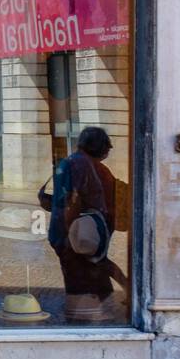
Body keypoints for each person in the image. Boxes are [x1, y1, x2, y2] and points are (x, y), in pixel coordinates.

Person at [47, 126, 130, 320]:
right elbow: (72, 201)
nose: (108, 152)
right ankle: (87, 312)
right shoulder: (83, 165)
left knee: (91, 269)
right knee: (87, 274)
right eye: (106, 148)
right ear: (98, 146)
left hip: (75, 233)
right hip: (78, 234)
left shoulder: (70, 163)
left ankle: (92, 308)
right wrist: (71, 235)